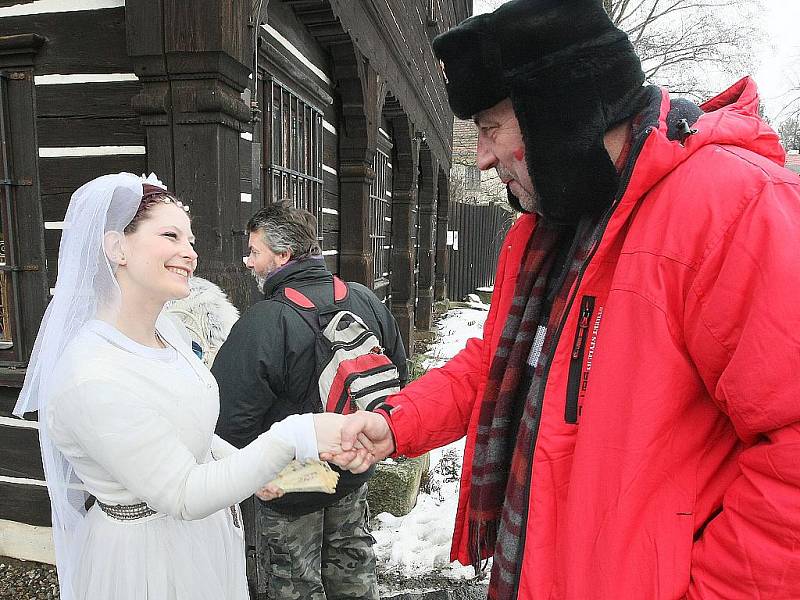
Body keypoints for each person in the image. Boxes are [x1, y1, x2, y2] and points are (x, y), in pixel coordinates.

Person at [334, 0, 800, 598]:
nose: (481, 156)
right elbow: (501, 365)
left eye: (490, 128)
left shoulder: (735, 209)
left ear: (557, 110)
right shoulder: (546, 234)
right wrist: (394, 424)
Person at [13, 173, 363, 600]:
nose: (189, 253)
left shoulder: (170, 334)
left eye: (191, 240)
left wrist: (270, 473)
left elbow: (197, 433)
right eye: (171, 235)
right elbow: (181, 493)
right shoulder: (91, 374)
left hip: (203, 540)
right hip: (145, 563)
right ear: (116, 246)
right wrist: (296, 435)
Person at [213, 200, 407, 600]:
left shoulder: (265, 320)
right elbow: (398, 376)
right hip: (354, 470)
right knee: (353, 573)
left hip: (289, 488)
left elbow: (228, 419)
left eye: (254, 251)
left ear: (283, 255)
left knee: (294, 583)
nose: (248, 261)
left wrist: (251, 474)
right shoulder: (363, 299)